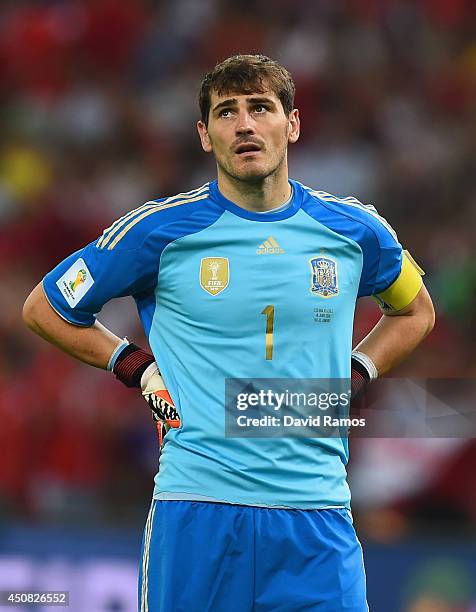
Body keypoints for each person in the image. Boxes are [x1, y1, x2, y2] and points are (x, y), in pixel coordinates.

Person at [23, 54, 435, 611]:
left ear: (292, 123)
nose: (244, 125)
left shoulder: (354, 230)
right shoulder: (160, 230)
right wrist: (137, 367)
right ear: (204, 133)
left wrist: (357, 373)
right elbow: (46, 307)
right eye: (226, 112)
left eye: (260, 108)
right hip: (198, 510)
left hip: (316, 516)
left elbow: (415, 312)